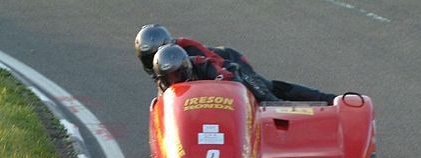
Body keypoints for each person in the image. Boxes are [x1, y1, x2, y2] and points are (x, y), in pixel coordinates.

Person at [135, 23, 338, 104]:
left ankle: (324, 99)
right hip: (214, 69)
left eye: (177, 74)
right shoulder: (163, 68)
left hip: (228, 62)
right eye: (148, 58)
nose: (173, 79)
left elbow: (220, 65)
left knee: (264, 95)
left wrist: (224, 83)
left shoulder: (191, 52)